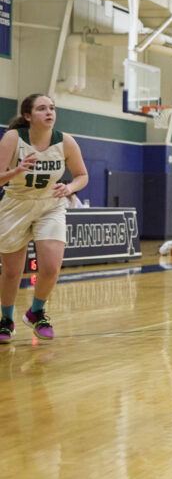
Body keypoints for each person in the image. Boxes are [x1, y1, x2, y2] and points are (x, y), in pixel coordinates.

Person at [0, 94, 88, 342]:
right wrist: (16, 171)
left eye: (52, 108)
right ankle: (6, 319)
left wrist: (69, 188)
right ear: (28, 116)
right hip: (15, 205)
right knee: (11, 272)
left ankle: (36, 312)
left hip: (50, 205)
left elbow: (82, 175)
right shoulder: (13, 139)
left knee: (50, 267)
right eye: (41, 109)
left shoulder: (66, 142)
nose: (49, 112)